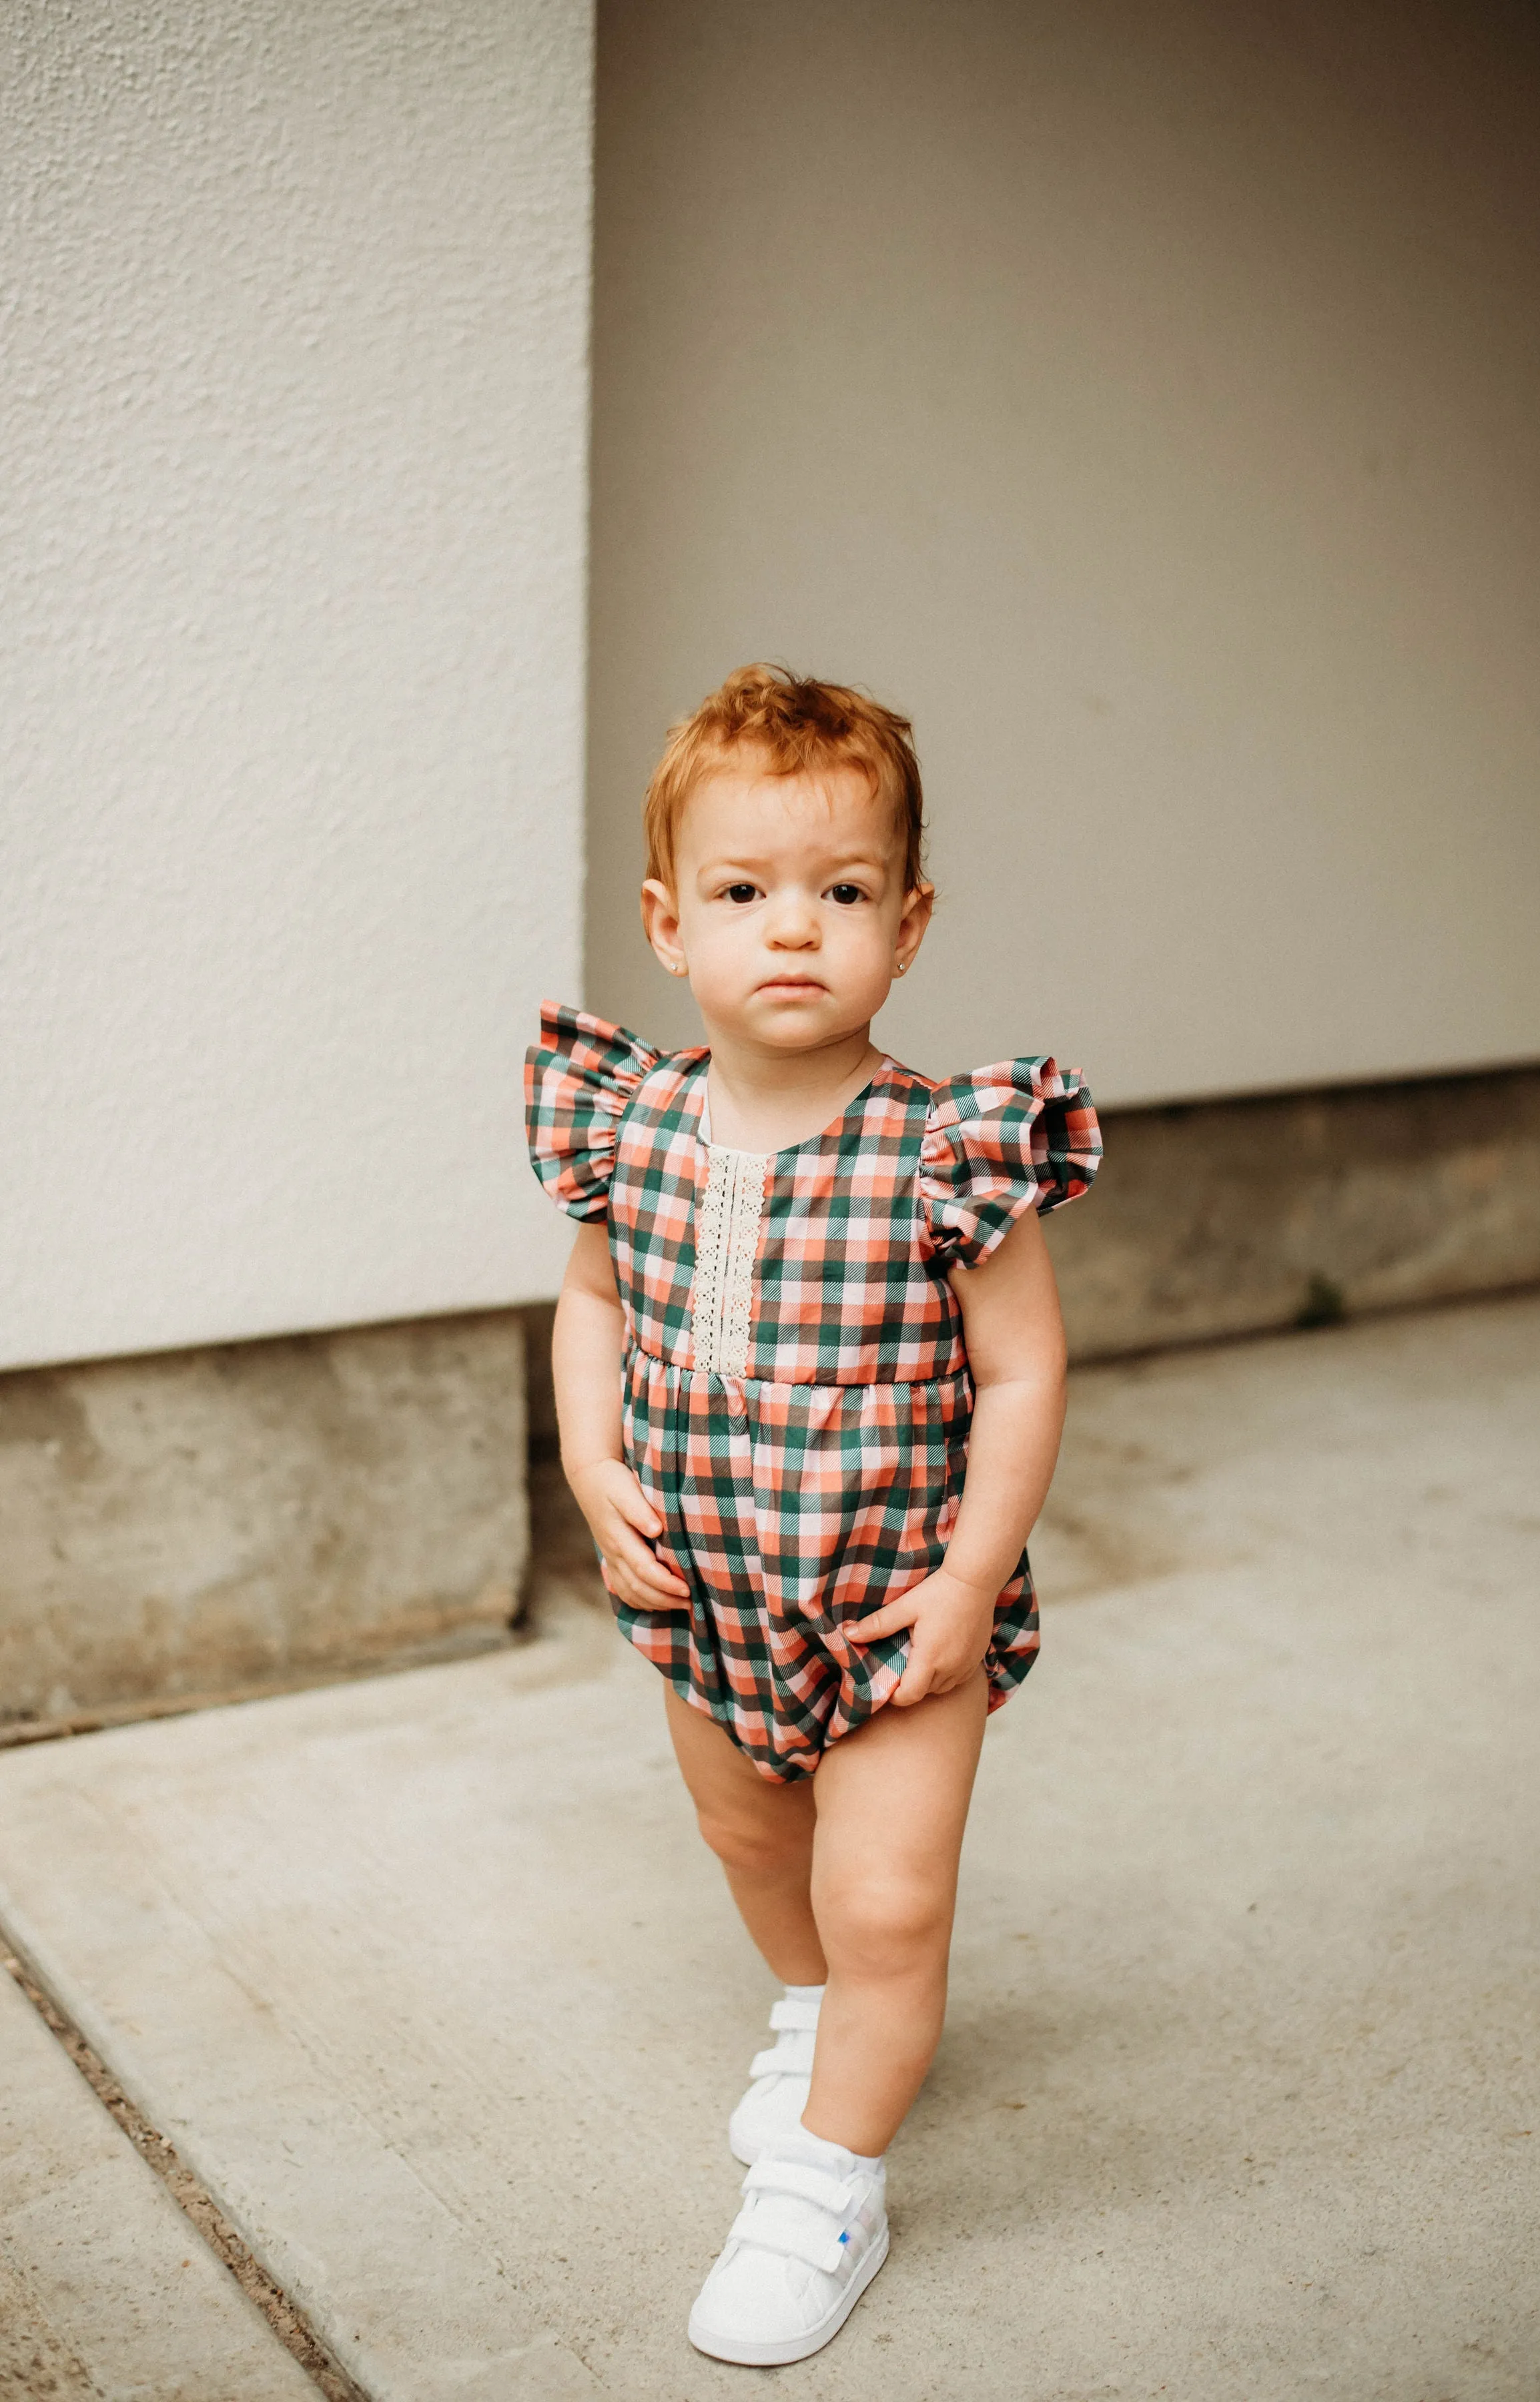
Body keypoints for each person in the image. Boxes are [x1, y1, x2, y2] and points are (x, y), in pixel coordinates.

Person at [526, 665, 1100, 2366]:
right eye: (744, 893)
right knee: (750, 1841)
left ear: (907, 925)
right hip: (703, 1588)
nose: (795, 931)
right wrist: (585, 1459)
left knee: (888, 1902)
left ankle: (827, 2187)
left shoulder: (945, 1152)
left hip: (892, 1600)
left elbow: (1021, 1376)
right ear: (666, 921)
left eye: (841, 893)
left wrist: (968, 1578)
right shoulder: (634, 1125)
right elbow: (594, 1307)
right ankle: (810, 2013)